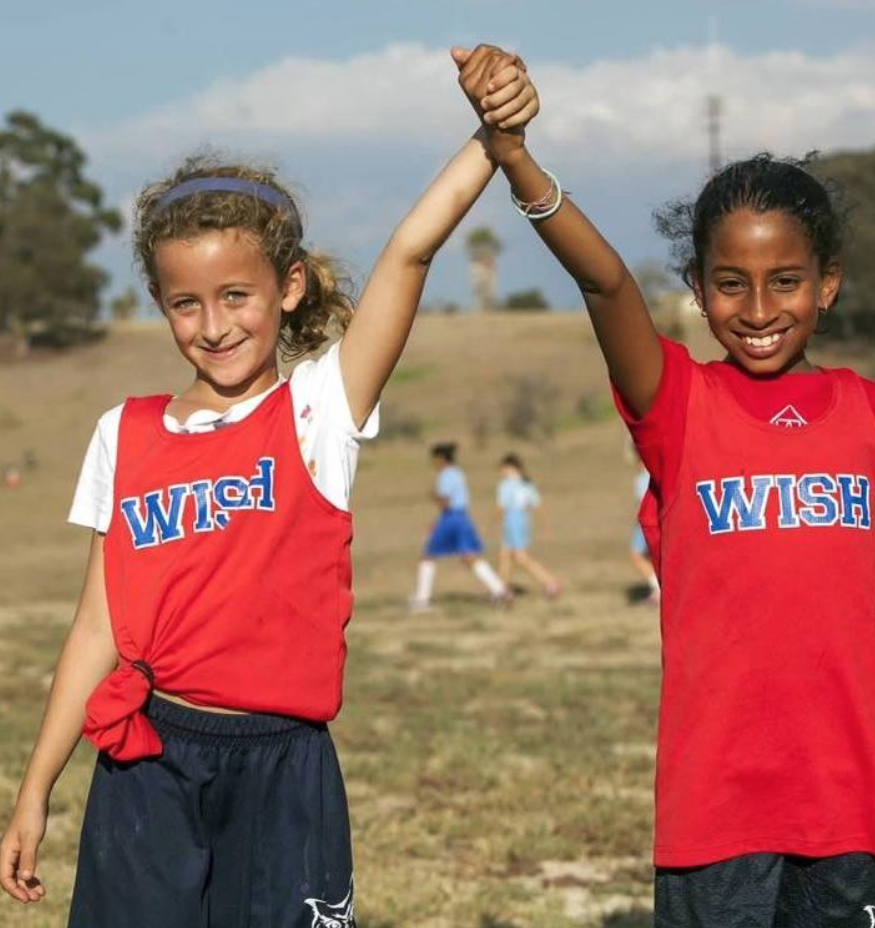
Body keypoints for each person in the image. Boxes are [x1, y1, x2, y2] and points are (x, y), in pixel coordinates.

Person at [0, 45, 539, 928]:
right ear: (160, 302)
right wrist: (34, 790)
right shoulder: (123, 434)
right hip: (147, 765)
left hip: (285, 769)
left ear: (288, 288)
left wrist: (492, 135)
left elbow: (408, 254)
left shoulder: (319, 410)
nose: (213, 326)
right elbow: (97, 624)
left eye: (237, 296)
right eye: (186, 303)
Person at [454, 55, 875, 926]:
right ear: (698, 289)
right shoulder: (677, 404)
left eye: (786, 281)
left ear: (827, 283)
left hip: (858, 808)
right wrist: (517, 158)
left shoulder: (873, 414)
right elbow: (605, 281)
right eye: (730, 284)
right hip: (716, 820)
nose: (759, 309)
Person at [411, 442, 510, 611]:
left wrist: (433, 496)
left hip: (451, 518)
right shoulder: (458, 473)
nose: (433, 463)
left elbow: (446, 503)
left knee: (428, 556)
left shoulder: (446, 475)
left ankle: (422, 599)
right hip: (462, 517)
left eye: (434, 459)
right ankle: (500, 590)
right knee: (469, 556)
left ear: (441, 459)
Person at [496, 452, 560, 598]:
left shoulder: (505, 485)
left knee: (521, 558)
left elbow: (501, 507)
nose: (502, 472)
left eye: (503, 468)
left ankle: (550, 582)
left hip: (513, 522)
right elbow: (537, 506)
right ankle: (501, 588)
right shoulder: (527, 484)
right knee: (504, 555)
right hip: (521, 521)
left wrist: (493, 522)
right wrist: (545, 524)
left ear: (511, 468)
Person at [629, 464, 660, 605]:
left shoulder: (645, 478)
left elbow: (646, 506)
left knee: (636, 555)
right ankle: (658, 588)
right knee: (652, 558)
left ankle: (658, 587)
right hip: (654, 522)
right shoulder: (653, 475)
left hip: (647, 523)